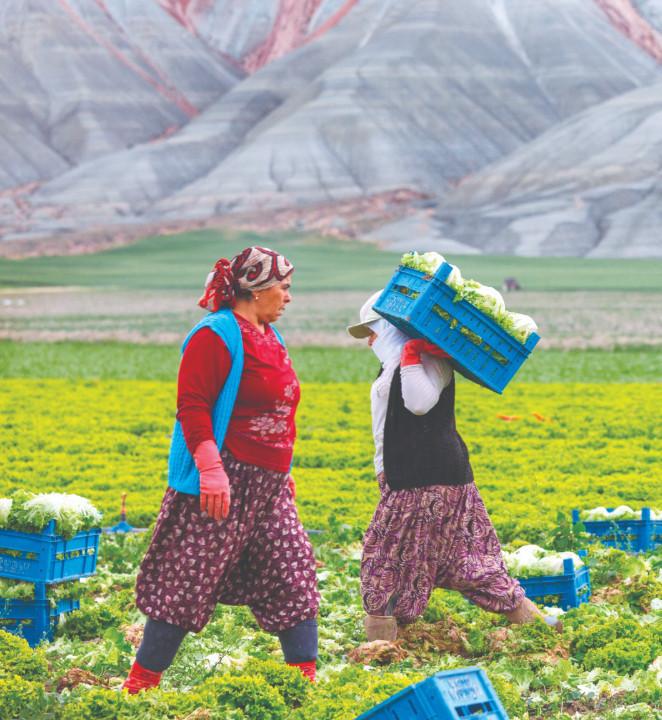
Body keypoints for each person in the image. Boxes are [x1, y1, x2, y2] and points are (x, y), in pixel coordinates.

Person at [125, 247, 319, 693]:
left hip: (269, 486)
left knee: (294, 574)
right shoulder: (216, 334)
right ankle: (139, 687)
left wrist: (281, 470)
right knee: (185, 580)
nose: (288, 297)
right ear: (255, 288)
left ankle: (304, 689)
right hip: (222, 482)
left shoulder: (270, 335)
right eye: (284, 288)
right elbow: (193, 407)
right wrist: (211, 470)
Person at [347, 292, 553, 641]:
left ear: (391, 327)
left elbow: (419, 403)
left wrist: (411, 355)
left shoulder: (422, 358)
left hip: (421, 479)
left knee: (382, 561)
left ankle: (379, 650)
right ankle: (543, 627)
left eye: (372, 330)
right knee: (469, 560)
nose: (368, 340)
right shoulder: (398, 361)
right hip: (438, 475)